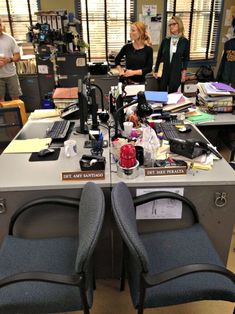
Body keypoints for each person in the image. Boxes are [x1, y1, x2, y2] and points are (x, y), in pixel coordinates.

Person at [153, 16, 189, 93]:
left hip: (176, 70)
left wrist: (184, 73)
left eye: (173, 24)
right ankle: (161, 105)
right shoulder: (165, 41)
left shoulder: (185, 41)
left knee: (173, 94)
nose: (171, 26)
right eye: (170, 25)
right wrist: (156, 70)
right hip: (163, 70)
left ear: (179, 24)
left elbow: (186, 58)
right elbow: (159, 57)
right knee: (161, 92)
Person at [0, 18, 22, 101]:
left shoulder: (9, 39)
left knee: (16, 98)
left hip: (11, 74)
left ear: (2, 25)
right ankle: (3, 114)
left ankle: (14, 114)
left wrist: (8, 60)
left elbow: (17, 56)